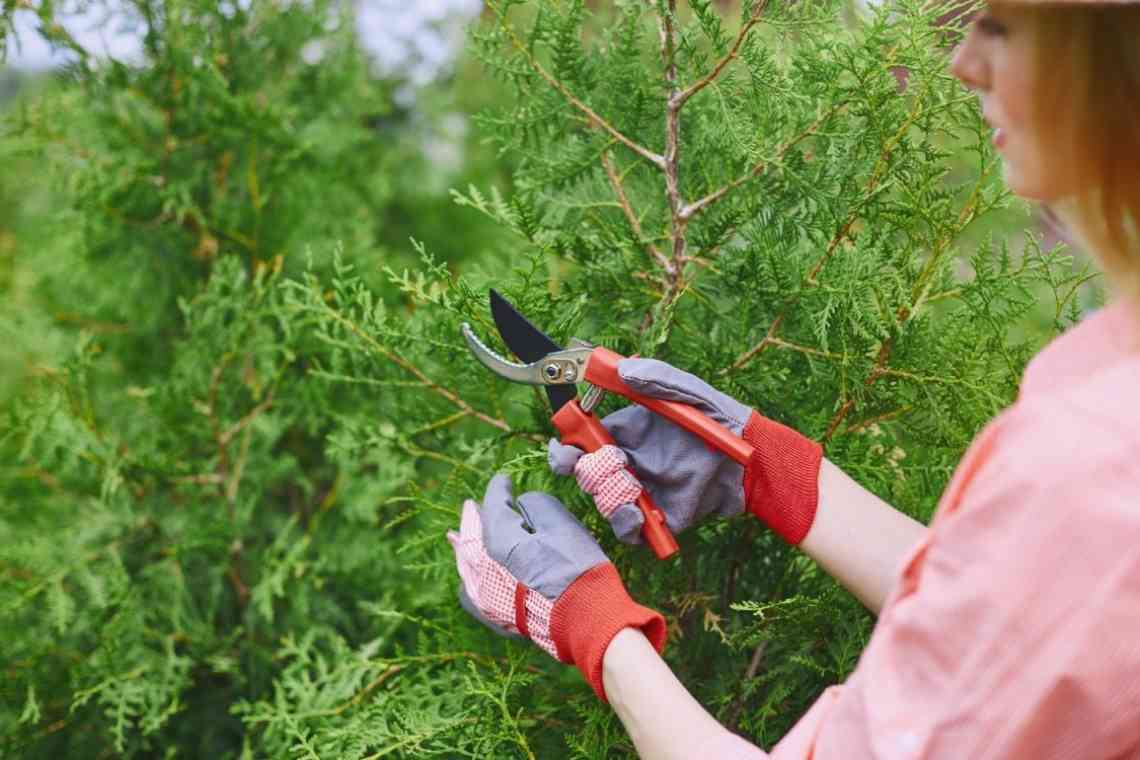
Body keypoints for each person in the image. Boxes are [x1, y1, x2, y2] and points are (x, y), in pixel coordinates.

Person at [447, 0, 1140, 756]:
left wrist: (590, 627)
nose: (962, 62)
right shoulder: (1110, 378)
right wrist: (769, 469)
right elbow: (1018, 625)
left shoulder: (1095, 459)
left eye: (1001, 26)